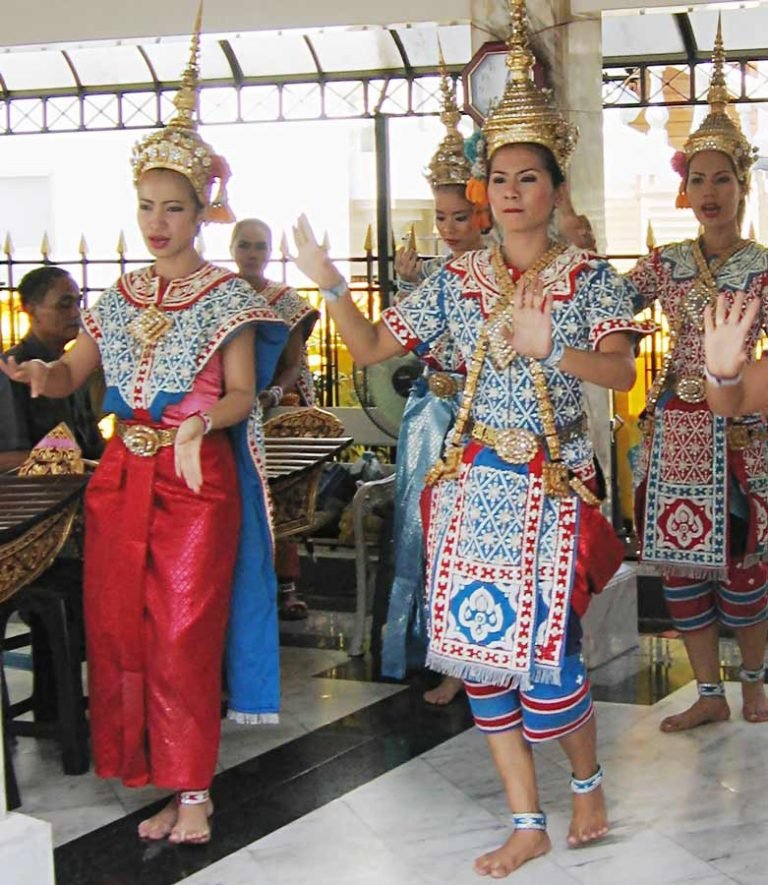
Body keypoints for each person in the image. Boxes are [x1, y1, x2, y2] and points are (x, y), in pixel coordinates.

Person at [290, 1, 645, 874]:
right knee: (483, 657)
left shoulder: (588, 278)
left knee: (548, 660)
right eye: (500, 175)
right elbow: (372, 346)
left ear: (556, 189)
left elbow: (619, 375)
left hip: (554, 485)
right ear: (483, 187)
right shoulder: (456, 278)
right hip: (474, 481)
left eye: (530, 176)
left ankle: (586, 778)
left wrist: (548, 345)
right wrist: (333, 284)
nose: (513, 190)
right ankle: (526, 817)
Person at [1, 21, 288, 845]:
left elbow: (241, 394)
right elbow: (72, 369)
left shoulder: (228, 297)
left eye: (174, 208)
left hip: (197, 482)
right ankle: (169, 779)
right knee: (122, 625)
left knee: (181, 631)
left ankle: (194, 793)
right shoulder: (118, 296)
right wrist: (38, 376)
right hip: (124, 476)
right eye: (147, 208)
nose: (158, 222)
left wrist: (201, 421)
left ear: (204, 211)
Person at [619, 21, 768, 733]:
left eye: (723, 179)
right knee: (682, 564)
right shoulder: (668, 260)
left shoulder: (763, 265)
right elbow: (611, 307)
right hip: (675, 427)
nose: (710, 192)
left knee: (744, 561)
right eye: (699, 179)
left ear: (743, 186)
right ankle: (707, 690)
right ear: (686, 188)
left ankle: (754, 681)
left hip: (739, 424)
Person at [382, 64, 483, 705]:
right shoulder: (431, 281)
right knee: (416, 531)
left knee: (464, 537)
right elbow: (400, 343)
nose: (449, 227)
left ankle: (464, 661)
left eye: (459, 216)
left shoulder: (493, 275)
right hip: (429, 416)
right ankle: (420, 648)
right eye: (441, 217)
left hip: (477, 421)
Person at [231, 217, 319, 619]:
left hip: (274, 410)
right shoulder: (221, 295)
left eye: (260, 246)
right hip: (229, 410)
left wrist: (270, 396)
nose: (252, 254)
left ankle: (287, 586)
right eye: (244, 245)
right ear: (232, 248)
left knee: (278, 495)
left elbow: (292, 364)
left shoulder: (285, 300)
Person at [0, 266, 104, 462]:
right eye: (64, 304)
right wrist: (74, 463)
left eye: (78, 303)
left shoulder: (74, 366)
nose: (76, 313)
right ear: (31, 310)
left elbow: (92, 444)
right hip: (34, 490)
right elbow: (9, 455)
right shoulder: (12, 368)